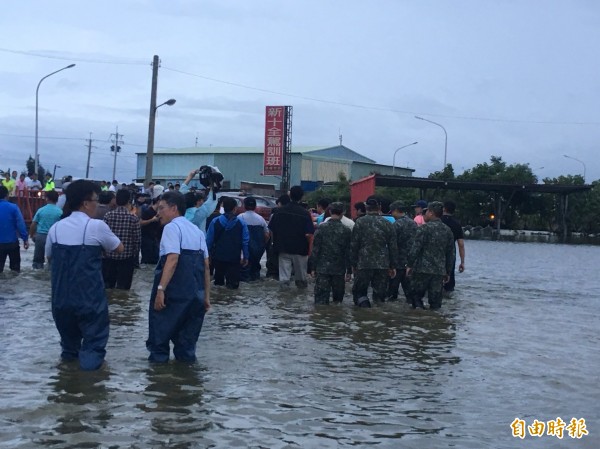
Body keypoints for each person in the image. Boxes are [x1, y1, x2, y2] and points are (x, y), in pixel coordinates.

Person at [45, 180, 124, 370]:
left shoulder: (55, 228)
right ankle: (88, 392)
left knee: (69, 351)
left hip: (61, 300)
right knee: (93, 349)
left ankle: (67, 389)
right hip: (90, 299)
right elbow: (119, 248)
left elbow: (49, 258)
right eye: (96, 200)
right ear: (85, 203)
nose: (97, 204)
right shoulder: (96, 226)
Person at [146, 191, 211, 363]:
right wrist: (206, 297)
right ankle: (186, 385)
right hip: (195, 297)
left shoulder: (171, 228)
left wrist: (161, 290)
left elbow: (172, 259)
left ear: (174, 208)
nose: (158, 213)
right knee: (186, 349)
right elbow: (206, 266)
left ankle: (158, 385)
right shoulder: (197, 231)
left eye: (161, 208)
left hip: (173, 296)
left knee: (159, 343)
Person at [406, 201, 455, 310]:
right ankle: (433, 321)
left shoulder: (423, 229)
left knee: (416, 298)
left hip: (421, 270)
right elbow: (451, 253)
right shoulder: (448, 231)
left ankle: (419, 320)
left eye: (427, 211)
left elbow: (415, 249)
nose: (425, 213)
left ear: (431, 213)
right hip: (438, 271)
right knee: (436, 303)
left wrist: (409, 265)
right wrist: (448, 271)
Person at [350, 197, 398, 307]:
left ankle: (364, 314)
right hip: (382, 264)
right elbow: (393, 247)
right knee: (380, 296)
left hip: (363, 263)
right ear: (379, 208)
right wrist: (393, 265)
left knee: (359, 292)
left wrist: (353, 263)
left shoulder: (359, 222)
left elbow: (354, 245)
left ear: (366, 208)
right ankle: (378, 317)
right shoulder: (387, 223)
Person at [268, 186, 314, 289]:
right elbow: (309, 234)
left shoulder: (279, 211)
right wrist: (309, 251)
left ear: (290, 195)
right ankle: (300, 299)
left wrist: (275, 244)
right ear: (301, 197)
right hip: (300, 250)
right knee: (301, 279)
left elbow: (271, 229)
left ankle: (284, 299)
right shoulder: (305, 213)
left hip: (283, 248)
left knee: (284, 279)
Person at [309, 202, 352, 304]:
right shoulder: (346, 230)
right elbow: (348, 252)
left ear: (330, 211)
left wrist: (312, 267)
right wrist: (349, 271)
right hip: (339, 270)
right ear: (343, 213)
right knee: (338, 302)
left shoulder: (321, 228)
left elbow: (315, 249)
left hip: (322, 269)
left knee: (320, 302)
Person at [206, 196, 249, 289]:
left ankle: (220, 302)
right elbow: (245, 242)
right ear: (235, 208)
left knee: (218, 285)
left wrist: (207, 256)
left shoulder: (215, 221)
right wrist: (246, 257)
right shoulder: (241, 223)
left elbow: (208, 241)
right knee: (233, 287)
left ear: (223, 208)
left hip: (218, 257)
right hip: (234, 258)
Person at [102, 189, 141, 290]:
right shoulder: (134, 218)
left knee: (108, 288)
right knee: (124, 290)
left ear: (116, 200)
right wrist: (134, 255)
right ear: (129, 201)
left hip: (109, 257)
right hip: (127, 259)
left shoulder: (108, 216)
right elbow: (137, 240)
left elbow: (103, 237)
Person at [387, 201, 417, 302]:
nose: (391, 214)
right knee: (410, 293)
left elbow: (392, 245)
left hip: (397, 263)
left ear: (396, 210)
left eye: (392, 212)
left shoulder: (396, 225)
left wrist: (391, 264)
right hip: (410, 263)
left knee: (391, 294)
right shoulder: (413, 223)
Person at [29, 190, 62, 269]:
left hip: (40, 236)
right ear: (57, 200)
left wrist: (32, 235)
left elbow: (33, 224)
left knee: (37, 261)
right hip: (54, 238)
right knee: (52, 260)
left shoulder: (41, 210)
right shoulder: (60, 212)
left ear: (46, 199)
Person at [240, 196, 270, 282]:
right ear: (255, 206)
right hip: (257, 251)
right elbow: (267, 235)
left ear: (244, 206)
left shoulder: (240, 218)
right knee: (255, 274)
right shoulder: (261, 219)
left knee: (244, 276)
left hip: (244, 252)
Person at [0, 185, 29, 272]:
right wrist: (25, 239)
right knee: (15, 271)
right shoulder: (14, 207)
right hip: (12, 243)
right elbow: (21, 225)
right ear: (7, 195)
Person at [441, 200, 466, 295]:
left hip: (436, 253)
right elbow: (461, 244)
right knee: (449, 281)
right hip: (451, 254)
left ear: (444, 209)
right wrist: (462, 262)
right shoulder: (457, 224)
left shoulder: (438, 221)